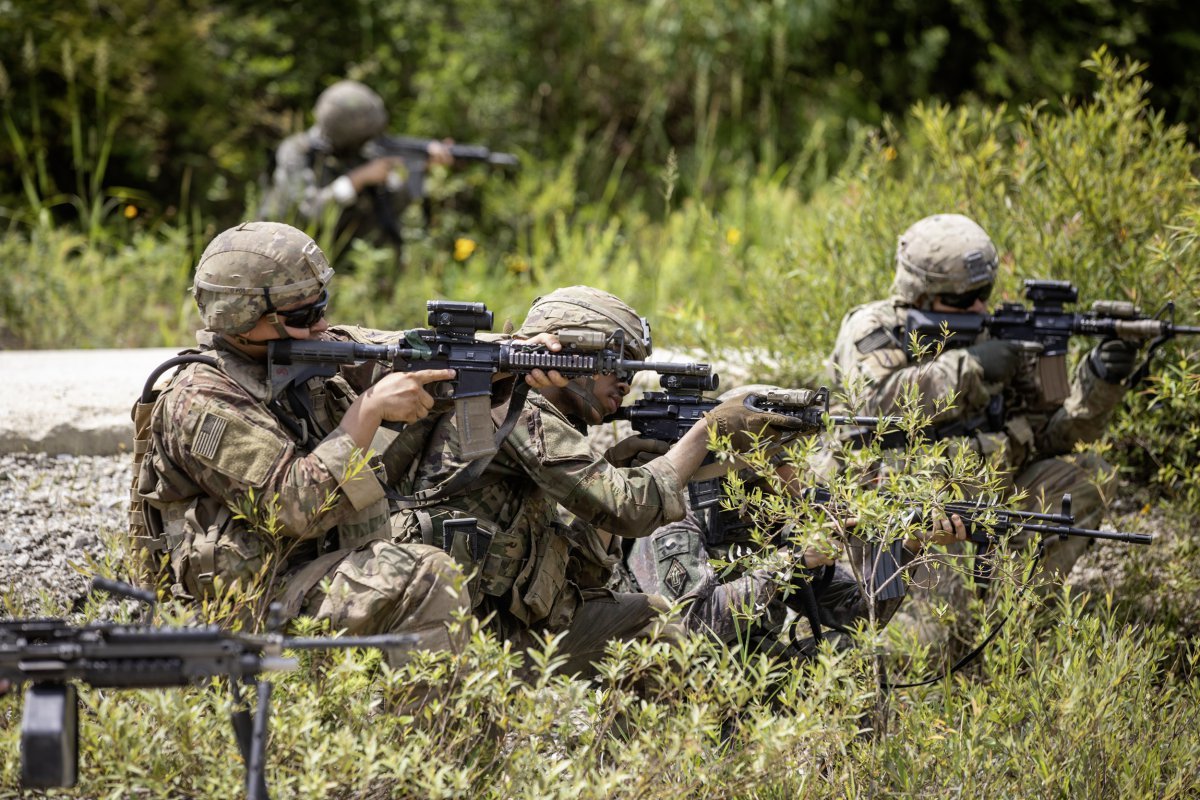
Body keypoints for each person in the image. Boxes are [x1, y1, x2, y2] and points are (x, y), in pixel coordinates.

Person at [130, 220, 555, 656]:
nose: (322, 324)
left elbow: (411, 355)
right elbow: (292, 508)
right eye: (303, 316)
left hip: (307, 570)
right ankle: (428, 723)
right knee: (426, 575)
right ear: (240, 321)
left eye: (322, 306)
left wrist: (514, 354)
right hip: (244, 605)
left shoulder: (307, 353)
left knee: (451, 534)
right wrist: (367, 412)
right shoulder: (201, 402)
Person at [390, 286, 808, 678]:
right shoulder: (516, 410)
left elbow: (581, 579)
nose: (625, 381)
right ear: (570, 354)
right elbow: (631, 508)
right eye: (615, 361)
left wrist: (616, 464)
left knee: (652, 626)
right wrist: (708, 431)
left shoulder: (528, 415)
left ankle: (644, 758)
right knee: (653, 628)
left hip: (498, 624)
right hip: (455, 632)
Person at [828, 212, 1141, 590]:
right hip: (902, 510)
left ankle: (1013, 613)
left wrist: (1102, 379)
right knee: (934, 641)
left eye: (984, 293)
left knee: (1091, 473)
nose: (978, 307)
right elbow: (873, 404)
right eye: (962, 298)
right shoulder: (875, 329)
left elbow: (1053, 437)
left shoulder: (993, 335)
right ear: (920, 293)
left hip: (985, 500)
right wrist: (970, 368)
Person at [259, 79, 453, 256]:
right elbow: (308, 211)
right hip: (285, 256)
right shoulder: (296, 151)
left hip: (348, 257)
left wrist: (418, 168)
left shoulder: (364, 152)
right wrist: (358, 179)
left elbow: (397, 205)